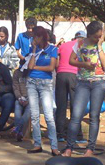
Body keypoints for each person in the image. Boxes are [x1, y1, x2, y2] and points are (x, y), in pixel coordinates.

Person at [62, 22, 105, 158]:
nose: (98, 39)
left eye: (100, 36)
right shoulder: (80, 43)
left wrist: (99, 47)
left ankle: (90, 148)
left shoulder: (104, 45)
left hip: (99, 82)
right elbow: (71, 60)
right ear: (89, 35)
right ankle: (69, 147)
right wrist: (83, 64)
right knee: (76, 115)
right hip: (82, 82)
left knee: (94, 116)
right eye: (95, 37)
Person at [24, 26, 59, 155]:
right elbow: (29, 65)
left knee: (49, 116)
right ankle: (37, 144)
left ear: (41, 37)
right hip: (32, 82)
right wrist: (33, 50)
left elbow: (51, 67)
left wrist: (36, 67)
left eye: (35, 37)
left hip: (45, 84)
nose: (33, 39)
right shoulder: (33, 49)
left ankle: (54, 146)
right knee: (34, 115)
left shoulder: (53, 49)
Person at [55, 30, 85, 142]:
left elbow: (57, 63)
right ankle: (77, 135)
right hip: (74, 76)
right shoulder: (83, 46)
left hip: (61, 75)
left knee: (61, 106)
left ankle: (60, 134)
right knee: (75, 105)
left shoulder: (63, 46)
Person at [11, 67, 31, 141]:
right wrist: (19, 97)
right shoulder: (16, 72)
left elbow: (34, 89)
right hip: (19, 98)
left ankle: (17, 130)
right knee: (17, 113)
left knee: (27, 113)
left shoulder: (32, 72)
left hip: (31, 99)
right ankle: (19, 133)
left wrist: (28, 99)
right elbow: (15, 87)